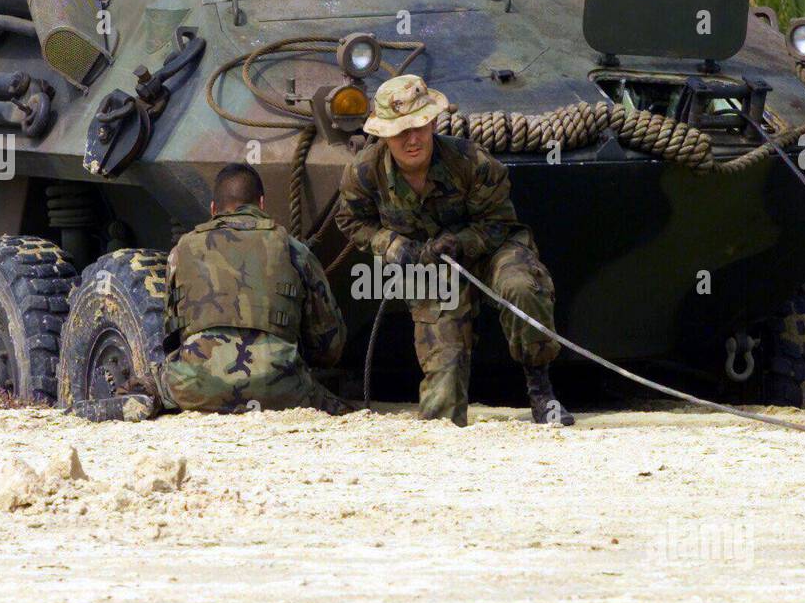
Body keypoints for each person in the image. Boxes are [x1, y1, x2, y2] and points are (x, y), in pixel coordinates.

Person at [335, 74, 574, 427]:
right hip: (428, 267)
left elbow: (498, 223)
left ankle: (541, 389)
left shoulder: (471, 162)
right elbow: (352, 220)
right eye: (401, 131)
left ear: (432, 122)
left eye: (420, 126)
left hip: (491, 251)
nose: (413, 139)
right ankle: (445, 424)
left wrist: (460, 242)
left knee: (522, 287)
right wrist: (394, 246)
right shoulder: (365, 173)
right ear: (384, 134)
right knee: (441, 402)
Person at [70, 163, 349, 421]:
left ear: (214, 208)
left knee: (144, 385)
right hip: (282, 387)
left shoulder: (182, 251)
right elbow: (330, 346)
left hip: (193, 386)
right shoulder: (293, 249)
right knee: (344, 408)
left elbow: (173, 337)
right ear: (261, 204)